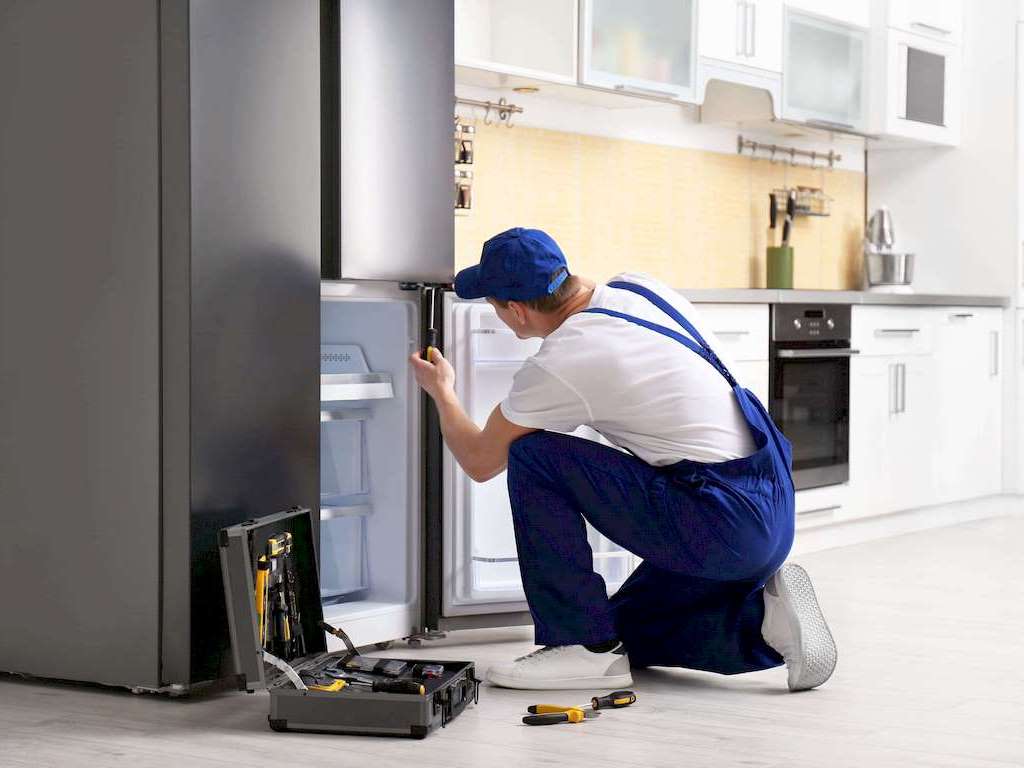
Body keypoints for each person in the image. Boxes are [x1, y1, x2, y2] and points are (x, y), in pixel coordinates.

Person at [409, 227, 837, 692]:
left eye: (495, 306)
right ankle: (765, 625)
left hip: (718, 521)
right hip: (769, 501)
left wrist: (443, 392)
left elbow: (479, 460)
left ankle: (578, 646)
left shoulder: (565, 358)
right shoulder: (639, 289)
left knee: (535, 455)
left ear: (516, 310)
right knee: (622, 632)